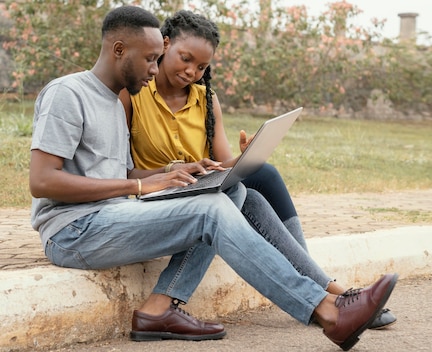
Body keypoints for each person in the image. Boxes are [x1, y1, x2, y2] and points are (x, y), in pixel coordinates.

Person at [29, 5, 397, 351]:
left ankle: (159, 308)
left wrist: (168, 173)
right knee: (212, 210)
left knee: (229, 192)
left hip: (108, 218)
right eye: (151, 59)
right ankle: (328, 311)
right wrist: (140, 186)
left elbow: (121, 172)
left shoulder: (112, 101)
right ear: (119, 49)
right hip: (72, 232)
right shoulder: (68, 93)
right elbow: (43, 182)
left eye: (158, 59)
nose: (156, 70)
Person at [119, 10, 397, 329]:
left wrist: (246, 156)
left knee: (259, 177)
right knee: (243, 194)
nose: (191, 71)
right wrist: (173, 169)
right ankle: (332, 294)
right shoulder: (135, 92)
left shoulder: (206, 100)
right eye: (185, 59)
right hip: (156, 195)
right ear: (164, 45)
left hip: (196, 189)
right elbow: (124, 170)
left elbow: (223, 165)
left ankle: (328, 295)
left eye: (201, 66)